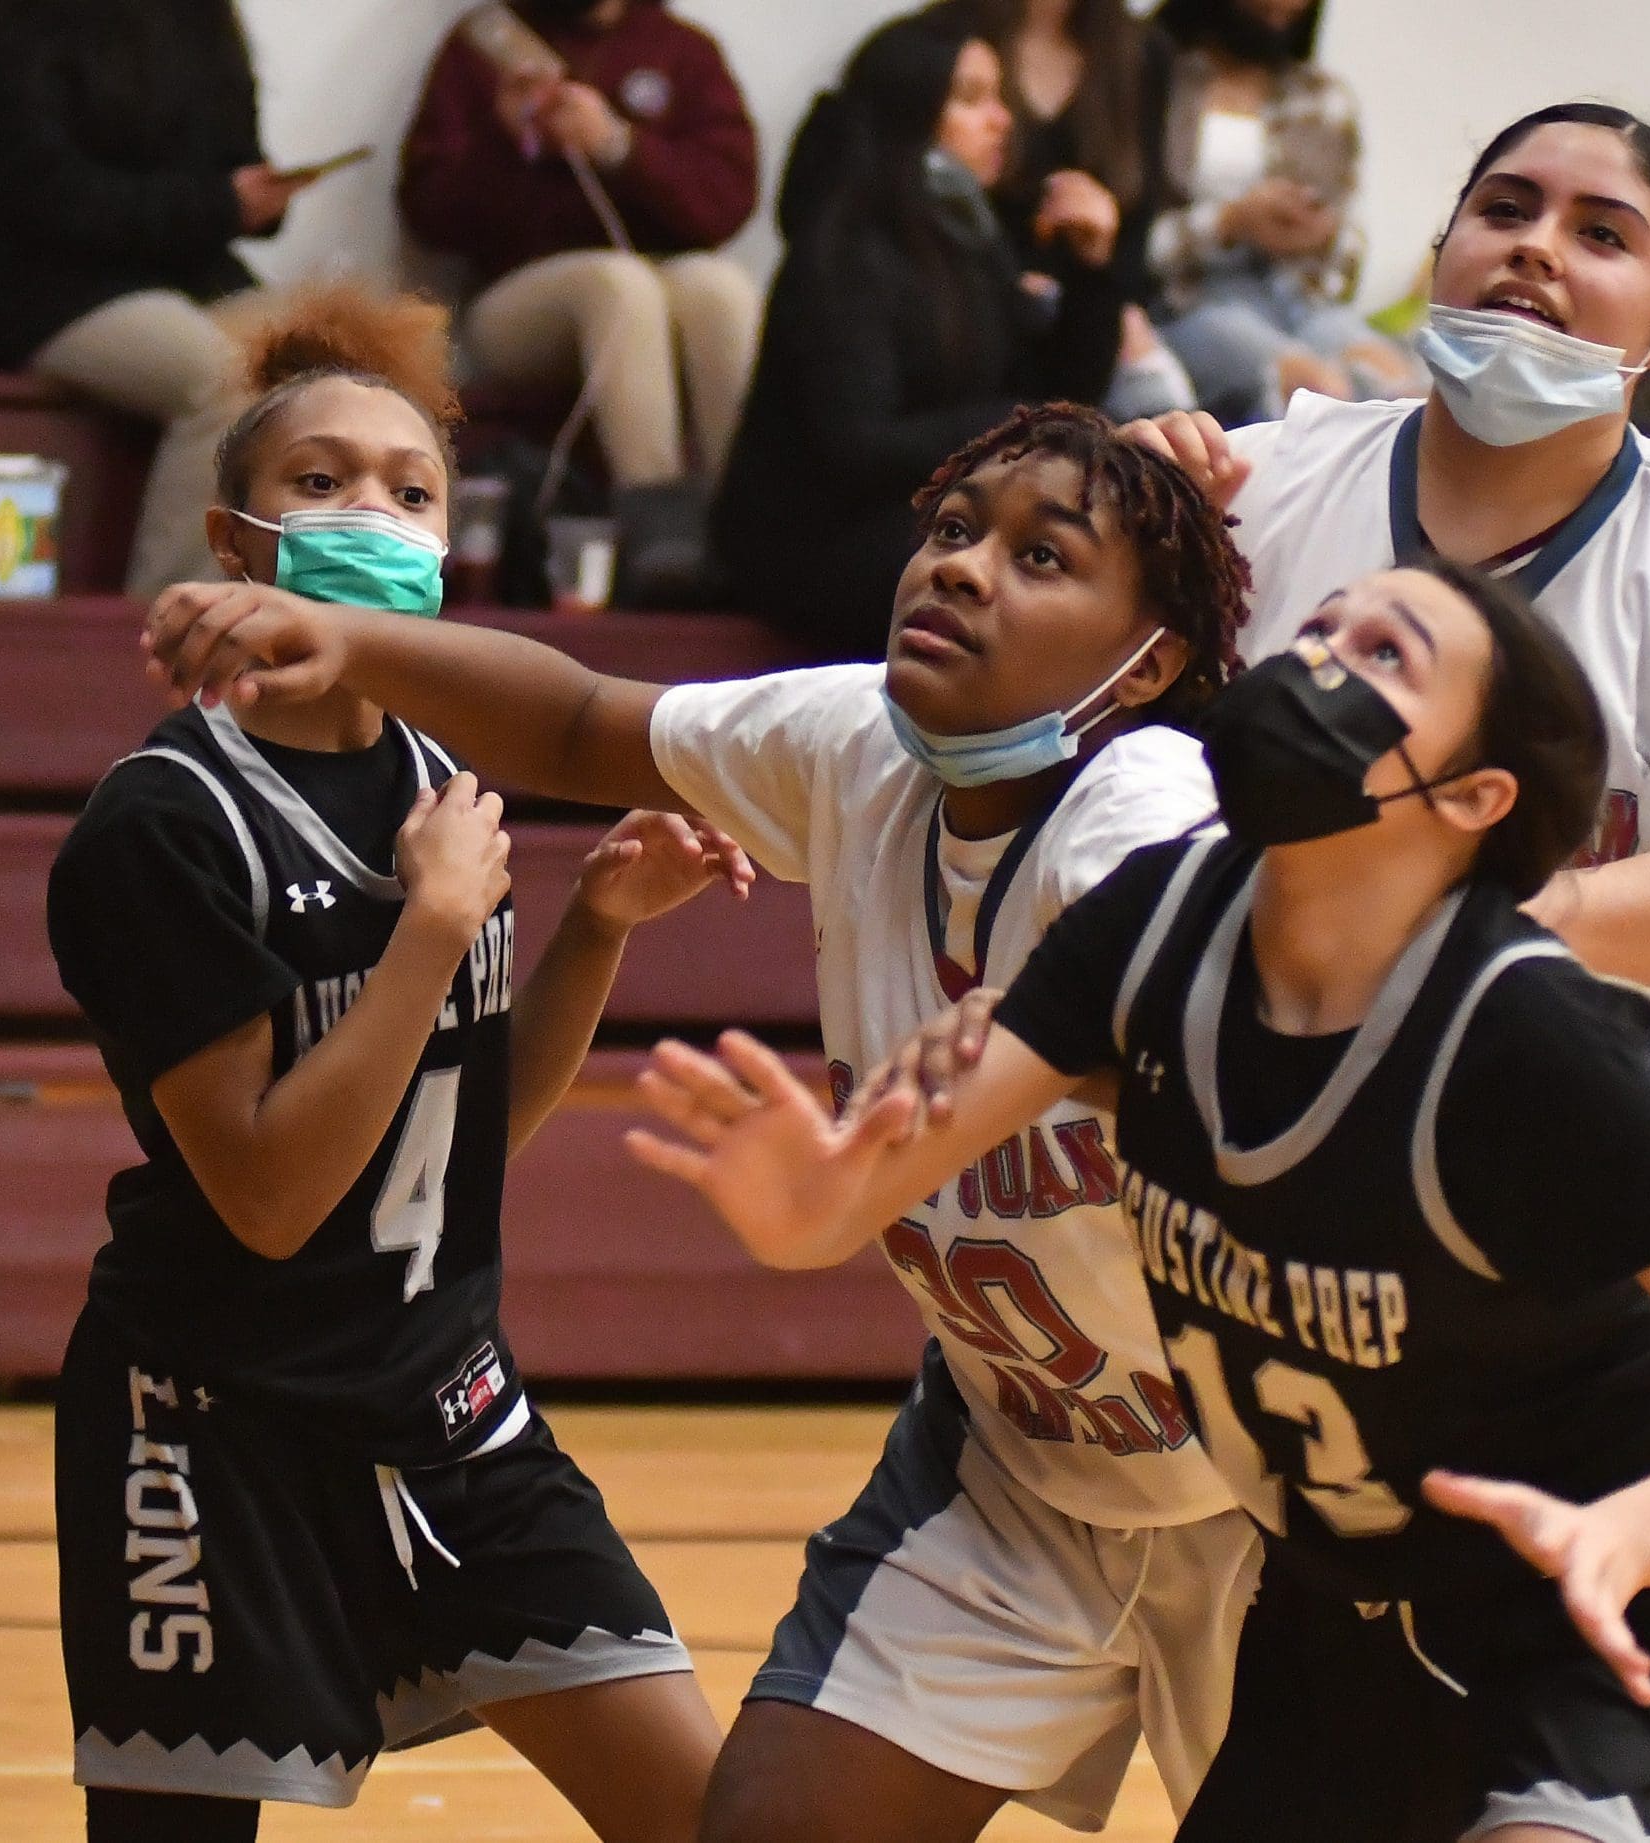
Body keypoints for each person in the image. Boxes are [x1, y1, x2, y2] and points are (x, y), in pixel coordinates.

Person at [627, 560, 1650, 1843]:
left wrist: (1621, 1538)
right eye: (1322, 624)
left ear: (1474, 795)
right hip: (1346, 1624)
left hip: (1615, 1629)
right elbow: (838, 1211)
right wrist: (798, 1197)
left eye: (1387, 654)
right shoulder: (1155, 926)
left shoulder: (1523, 1037)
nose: (1322, 658)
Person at [139, 402, 1262, 1843]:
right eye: (953, 527)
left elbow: (1167, 1025)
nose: (962, 566)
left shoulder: (1141, 809)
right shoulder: (859, 741)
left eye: (1042, 557)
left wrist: (884, 1152)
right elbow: (573, 720)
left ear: (1147, 661)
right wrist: (351, 642)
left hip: (1267, 1498)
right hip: (1015, 1473)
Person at [1123, 98, 1650, 1843]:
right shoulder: (1261, 483)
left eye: (1601, 232)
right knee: (1361, 1686)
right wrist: (1123, 508)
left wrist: (1442, 953)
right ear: (1439, 255)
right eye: (1505, 206)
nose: (1538, 248)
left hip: (1624, 1137)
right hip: (1305, 1152)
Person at [49, 287, 743, 1842]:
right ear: (235, 542)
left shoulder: (441, 774)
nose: (373, 509)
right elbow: (272, 1193)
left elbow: (462, 1135)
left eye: (409, 488)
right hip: (216, 1418)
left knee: (714, 1817)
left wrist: (597, 927)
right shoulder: (161, 825)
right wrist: (429, 931)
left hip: (447, 1402)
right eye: (322, 480)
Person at [715, 14, 1124, 660]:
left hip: (918, 514)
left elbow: (1067, 390)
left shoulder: (967, 239)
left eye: (998, 96)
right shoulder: (848, 252)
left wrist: (1093, 271)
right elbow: (855, 447)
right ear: (910, 117)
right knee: (1013, 569)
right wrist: (1019, 424)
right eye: (972, 99)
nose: (1002, 120)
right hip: (813, 541)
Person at [0, 0, 327, 598]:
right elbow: (48, 198)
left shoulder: (201, 19)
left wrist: (259, 196)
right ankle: (171, 618)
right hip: (48, 291)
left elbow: (230, 158)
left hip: (186, 275)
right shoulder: (16, 22)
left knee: (332, 367)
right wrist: (220, 204)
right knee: (221, 377)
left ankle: (303, 609)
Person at [400, 0, 763, 598]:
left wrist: (619, 146)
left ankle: (753, 526)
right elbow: (428, 211)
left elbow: (725, 200)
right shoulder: (483, 48)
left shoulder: (682, 50)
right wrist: (507, 143)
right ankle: (661, 535)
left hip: (660, 285)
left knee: (719, 288)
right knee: (617, 285)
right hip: (519, 298)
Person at [1144, 0, 1418, 424]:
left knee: (1403, 387)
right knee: (1314, 387)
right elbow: (1137, 248)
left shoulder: (1322, 98)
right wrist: (1231, 222)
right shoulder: (1160, 78)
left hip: (1301, 296)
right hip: (1190, 298)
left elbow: (1346, 262)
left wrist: (1319, 233)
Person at [959, 0, 1199, 420]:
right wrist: (1005, 281)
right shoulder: (946, 41)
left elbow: (1139, 224)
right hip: (975, 290)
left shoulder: (1140, 51)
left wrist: (1103, 277)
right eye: (974, 97)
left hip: (1095, 295)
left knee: (1163, 416)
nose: (1000, 120)